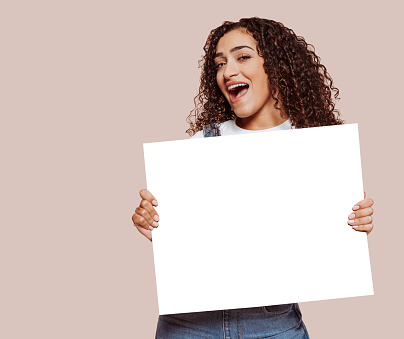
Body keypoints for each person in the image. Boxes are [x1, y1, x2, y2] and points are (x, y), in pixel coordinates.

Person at [132, 17, 375, 339]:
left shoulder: (318, 150)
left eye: (242, 57)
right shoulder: (202, 145)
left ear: (276, 65)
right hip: (188, 325)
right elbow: (185, 237)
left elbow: (317, 244)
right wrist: (155, 225)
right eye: (219, 64)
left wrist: (353, 224)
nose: (228, 71)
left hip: (272, 326)